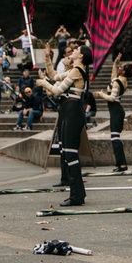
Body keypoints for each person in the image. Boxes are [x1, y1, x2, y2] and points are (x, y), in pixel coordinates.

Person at [37, 45, 92, 206]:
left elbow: (56, 90)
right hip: (69, 111)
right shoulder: (75, 70)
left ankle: (76, 195)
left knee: (70, 154)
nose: (73, 50)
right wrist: (47, 58)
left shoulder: (77, 71)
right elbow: (54, 76)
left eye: (76, 49)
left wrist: (43, 83)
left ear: (80, 55)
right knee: (68, 153)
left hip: (73, 111)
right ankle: (78, 194)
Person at [95, 56, 132, 172]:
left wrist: (100, 94)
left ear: (124, 71)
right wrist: (115, 64)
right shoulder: (121, 80)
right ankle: (120, 164)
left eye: (121, 67)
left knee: (115, 138)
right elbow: (113, 77)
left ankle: (121, 164)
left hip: (116, 110)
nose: (119, 67)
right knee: (115, 138)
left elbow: (112, 98)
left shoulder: (118, 82)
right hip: (117, 110)